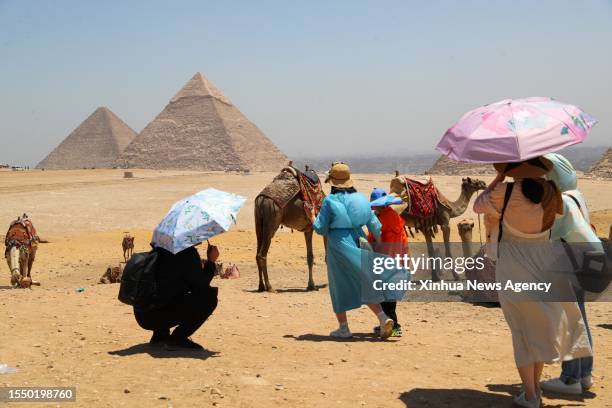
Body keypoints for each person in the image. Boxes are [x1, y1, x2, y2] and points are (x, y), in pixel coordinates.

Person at [474, 157, 592, 408]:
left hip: (514, 267)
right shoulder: (552, 193)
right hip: (545, 265)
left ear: (511, 169)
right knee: (538, 328)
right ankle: (534, 389)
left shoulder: (504, 194)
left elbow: (477, 206)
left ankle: (530, 395)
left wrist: (498, 179)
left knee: (521, 330)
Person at [310, 162, 396, 339]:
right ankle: (382, 317)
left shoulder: (330, 201)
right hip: (359, 240)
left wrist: (311, 215)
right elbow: (375, 226)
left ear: (332, 182)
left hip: (338, 244)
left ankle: (343, 328)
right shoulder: (362, 199)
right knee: (364, 282)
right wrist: (378, 245)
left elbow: (320, 229)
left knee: (338, 285)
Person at [540, 153, 602, 395]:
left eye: (546, 174)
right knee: (579, 319)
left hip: (566, 265)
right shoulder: (578, 196)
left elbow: (552, 237)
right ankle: (585, 373)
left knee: (568, 321)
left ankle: (570, 379)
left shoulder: (562, 202)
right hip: (583, 264)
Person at [133, 242, 219, 350]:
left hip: (142, 314)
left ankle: (160, 335)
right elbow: (201, 284)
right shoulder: (187, 253)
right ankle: (178, 337)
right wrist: (211, 261)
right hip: (156, 315)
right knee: (209, 297)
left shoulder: (160, 248)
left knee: (168, 291)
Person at [368, 188, 409, 337]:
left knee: (385, 297)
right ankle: (387, 323)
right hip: (399, 262)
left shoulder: (380, 220)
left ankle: (394, 326)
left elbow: (373, 240)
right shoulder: (394, 216)